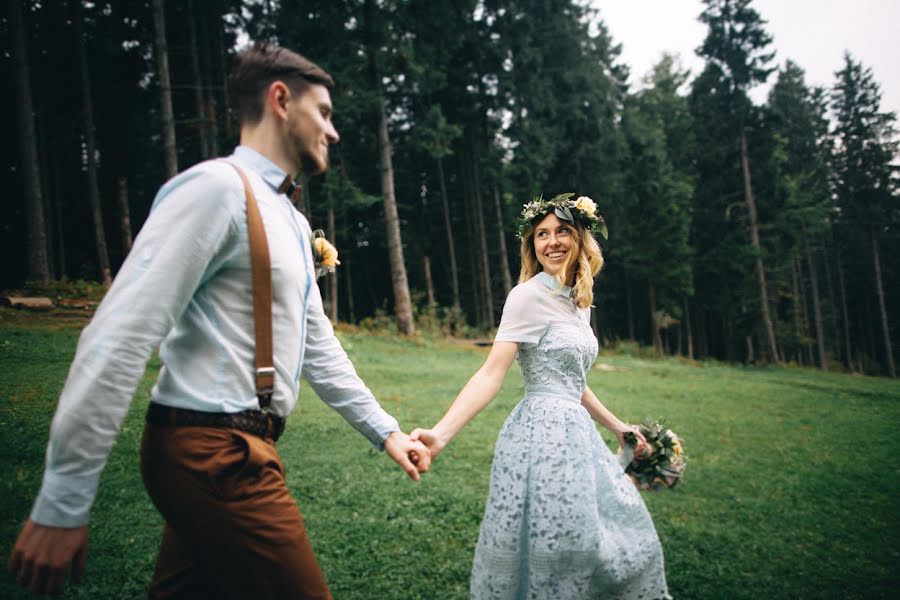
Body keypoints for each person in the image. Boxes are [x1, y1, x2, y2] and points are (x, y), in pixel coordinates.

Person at [7, 43, 430, 599]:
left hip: (243, 447)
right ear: (280, 99)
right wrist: (63, 501)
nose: (333, 132)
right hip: (212, 452)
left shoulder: (293, 222)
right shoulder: (214, 190)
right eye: (323, 113)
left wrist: (386, 431)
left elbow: (315, 346)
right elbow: (119, 338)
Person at [411, 193, 671, 599]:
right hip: (539, 437)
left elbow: (574, 381)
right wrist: (441, 434)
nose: (551, 242)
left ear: (580, 237)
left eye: (561, 231)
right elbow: (490, 374)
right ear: (532, 245)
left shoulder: (578, 302)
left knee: (597, 538)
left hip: (578, 436)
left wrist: (619, 427)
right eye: (541, 234)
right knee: (560, 543)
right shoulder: (526, 296)